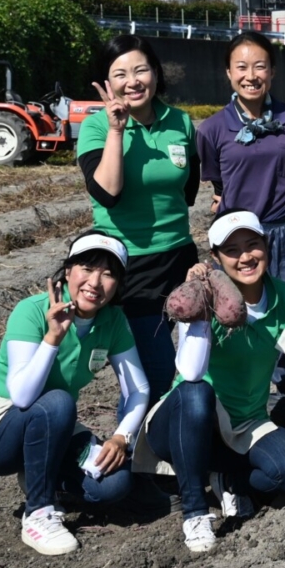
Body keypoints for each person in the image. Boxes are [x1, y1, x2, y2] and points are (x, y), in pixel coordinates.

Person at [0, 232, 147, 555]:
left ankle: (40, 477)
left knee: (116, 482)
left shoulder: (112, 322)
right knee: (57, 402)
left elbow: (138, 388)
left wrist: (121, 437)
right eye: (86, 268)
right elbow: (23, 396)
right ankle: (38, 513)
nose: (95, 282)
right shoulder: (31, 311)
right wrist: (54, 336)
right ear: (68, 271)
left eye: (109, 273)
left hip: (51, 423)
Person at [133, 210, 285, 552]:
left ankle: (230, 478)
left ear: (266, 245)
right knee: (198, 393)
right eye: (231, 250)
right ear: (215, 258)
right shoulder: (202, 299)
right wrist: (202, 311)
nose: (245, 257)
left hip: (247, 423)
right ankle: (195, 511)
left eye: (252, 245)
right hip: (185, 421)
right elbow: (190, 373)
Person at [77, 35, 200, 407]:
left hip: (180, 258)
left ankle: (176, 444)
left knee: (193, 367)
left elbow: (188, 190)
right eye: (120, 74)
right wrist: (117, 129)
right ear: (108, 83)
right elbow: (107, 193)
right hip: (130, 265)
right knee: (154, 374)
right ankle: (130, 454)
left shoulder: (179, 121)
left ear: (156, 73)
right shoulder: (97, 127)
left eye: (141, 70)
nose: (132, 81)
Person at [197, 31, 285, 319]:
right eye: (241, 67)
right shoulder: (211, 129)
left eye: (260, 66)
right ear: (228, 73)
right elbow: (218, 180)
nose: (251, 76)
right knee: (240, 320)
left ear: (272, 71)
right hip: (237, 239)